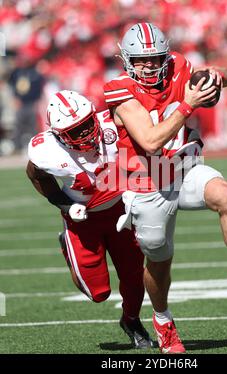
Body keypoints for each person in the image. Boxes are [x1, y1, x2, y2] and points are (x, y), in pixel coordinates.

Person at [102, 22, 227, 354]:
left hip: (182, 168)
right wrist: (189, 104)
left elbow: (224, 76)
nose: (149, 65)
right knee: (159, 260)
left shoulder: (178, 65)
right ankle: (162, 321)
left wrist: (217, 77)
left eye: (155, 58)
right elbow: (150, 140)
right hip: (145, 183)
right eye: (141, 60)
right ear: (127, 60)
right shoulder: (118, 89)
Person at [26, 90, 153, 349]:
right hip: (83, 220)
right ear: (59, 135)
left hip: (122, 210)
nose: (85, 134)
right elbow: (36, 175)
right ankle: (67, 245)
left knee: (133, 277)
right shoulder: (48, 150)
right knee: (98, 293)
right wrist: (66, 204)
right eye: (75, 131)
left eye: (86, 125)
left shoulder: (113, 124)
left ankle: (132, 321)